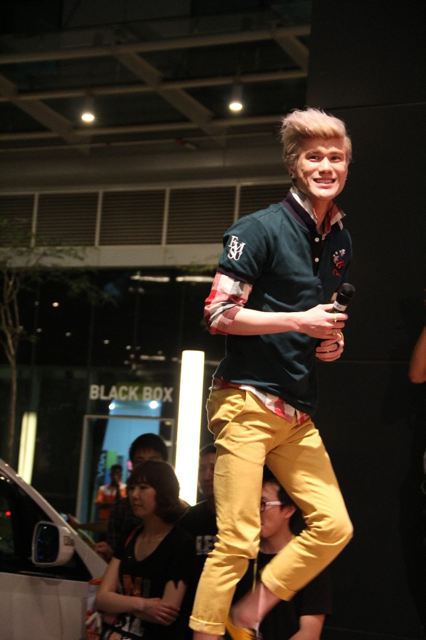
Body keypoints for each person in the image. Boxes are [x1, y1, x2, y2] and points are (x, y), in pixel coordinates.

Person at [189, 107, 354, 639]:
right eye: (314, 157)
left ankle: (249, 612)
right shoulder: (258, 228)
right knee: (237, 539)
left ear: (346, 166)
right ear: (293, 164)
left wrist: (330, 341)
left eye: (336, 157)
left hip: (296, 411)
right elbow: (218, 313)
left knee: (334, 526)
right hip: (246, 402)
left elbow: (319, 319)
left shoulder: (340, 240)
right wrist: (299, 321)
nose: (326, 166)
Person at [228, 468, 332, 640]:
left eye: (263, 504)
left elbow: (309, 633)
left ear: (288, 509)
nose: (254, 511)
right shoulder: (240, 554)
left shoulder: (307, 560)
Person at [95, 459, 194, 639]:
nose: (134, 495)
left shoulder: (180, 543)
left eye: (143, 488)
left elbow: (166, 614)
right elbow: (101, 598)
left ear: (163, 492)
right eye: (132, 488)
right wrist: (143, 605)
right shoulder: (130, 535)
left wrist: (119, 604)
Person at [95, 432, 169, 561]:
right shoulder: (120, 509)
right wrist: (109, 554)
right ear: (132, 466)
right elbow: (115, 555)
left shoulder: (177, 508)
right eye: (140, 462)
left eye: (153, 461)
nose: (146, 468)